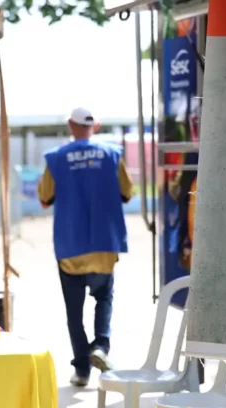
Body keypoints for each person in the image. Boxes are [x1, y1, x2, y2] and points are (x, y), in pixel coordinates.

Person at [37, 107, 133, 387]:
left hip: (70, 246)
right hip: (104, 244)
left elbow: (44, 198)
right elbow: (127, 193)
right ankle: (100, 346)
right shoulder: (112, 154)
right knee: (104, 298)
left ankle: (81, 370)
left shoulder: (56, 158)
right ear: (96, 126)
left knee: (74, 313)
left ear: (70, 125)